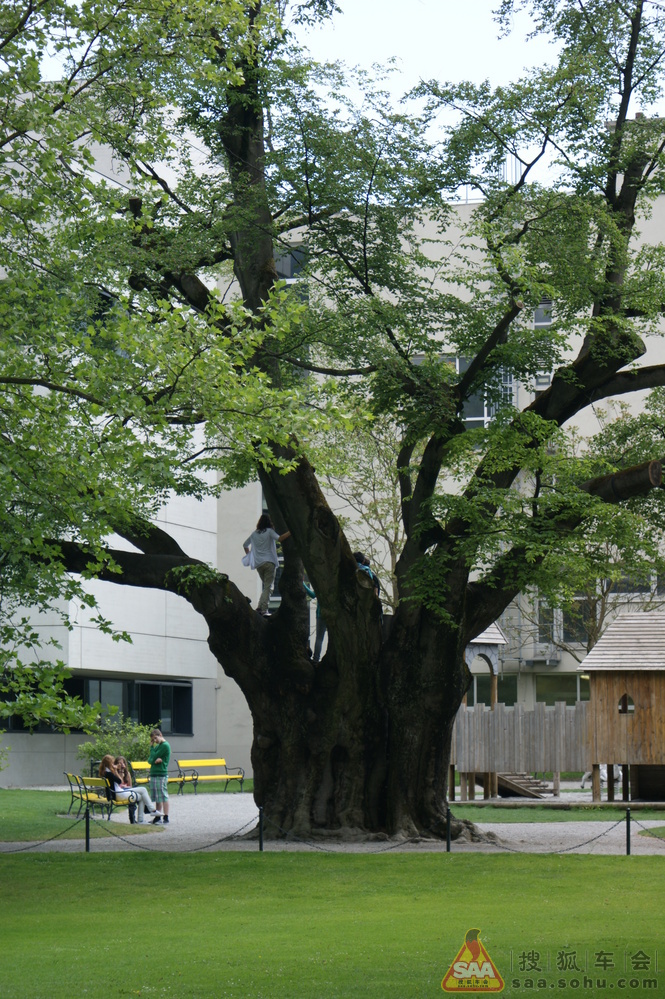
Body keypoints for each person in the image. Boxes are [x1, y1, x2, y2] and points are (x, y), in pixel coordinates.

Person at [243, 514, 291, 616]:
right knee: (268, 587)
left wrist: (249, 555)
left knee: (266, 587)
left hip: (258, 564)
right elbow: (280, 538)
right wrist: (291, 532)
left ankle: (260, 607)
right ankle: (263, 609)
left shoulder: (254, 534)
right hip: (269, 562)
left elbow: (245, 545)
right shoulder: (269, 532)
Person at [99, 754, 158, 823]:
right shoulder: (109, 773)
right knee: (143, 791)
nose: (113, 764)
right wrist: (115, 771)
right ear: (109, 763)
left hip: (117, 793)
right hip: (118, 795)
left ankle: (146, 815)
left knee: (142, 793)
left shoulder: (105, 772)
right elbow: (120, 781)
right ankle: (146, 815)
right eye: (112, 762)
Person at [148, 728, 171, 824]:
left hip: (161, 773)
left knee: (163, 795)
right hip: (154, 773)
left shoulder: (165, 746)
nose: (155, 741)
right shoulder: (157, 746)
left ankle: (166, 816)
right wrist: (152, 749)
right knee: (157, 797)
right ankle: (158, 816)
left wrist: (152, 749)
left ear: (160, 735)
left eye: (156, 738)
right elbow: (150, 760)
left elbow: (153, 758)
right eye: (153, 740)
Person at [303, 581, 327, 663]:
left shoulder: (321, 586)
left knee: (319, 638)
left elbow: (312, 595)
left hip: (321, 615)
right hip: (332, 615)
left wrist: (303, 584)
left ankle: (316, 659)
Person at [114, 755, 137, 824]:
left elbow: (130, 786)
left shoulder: (127, 773)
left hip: (127, 791)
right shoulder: (115, 773)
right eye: (119, 763)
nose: (121, 765)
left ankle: (132, 818)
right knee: (134, 797)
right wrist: (120, 773)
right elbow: (118, 785)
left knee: (133, 797)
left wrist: (126, 787)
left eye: (123, 763)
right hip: (120, 793)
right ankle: (133, 819)